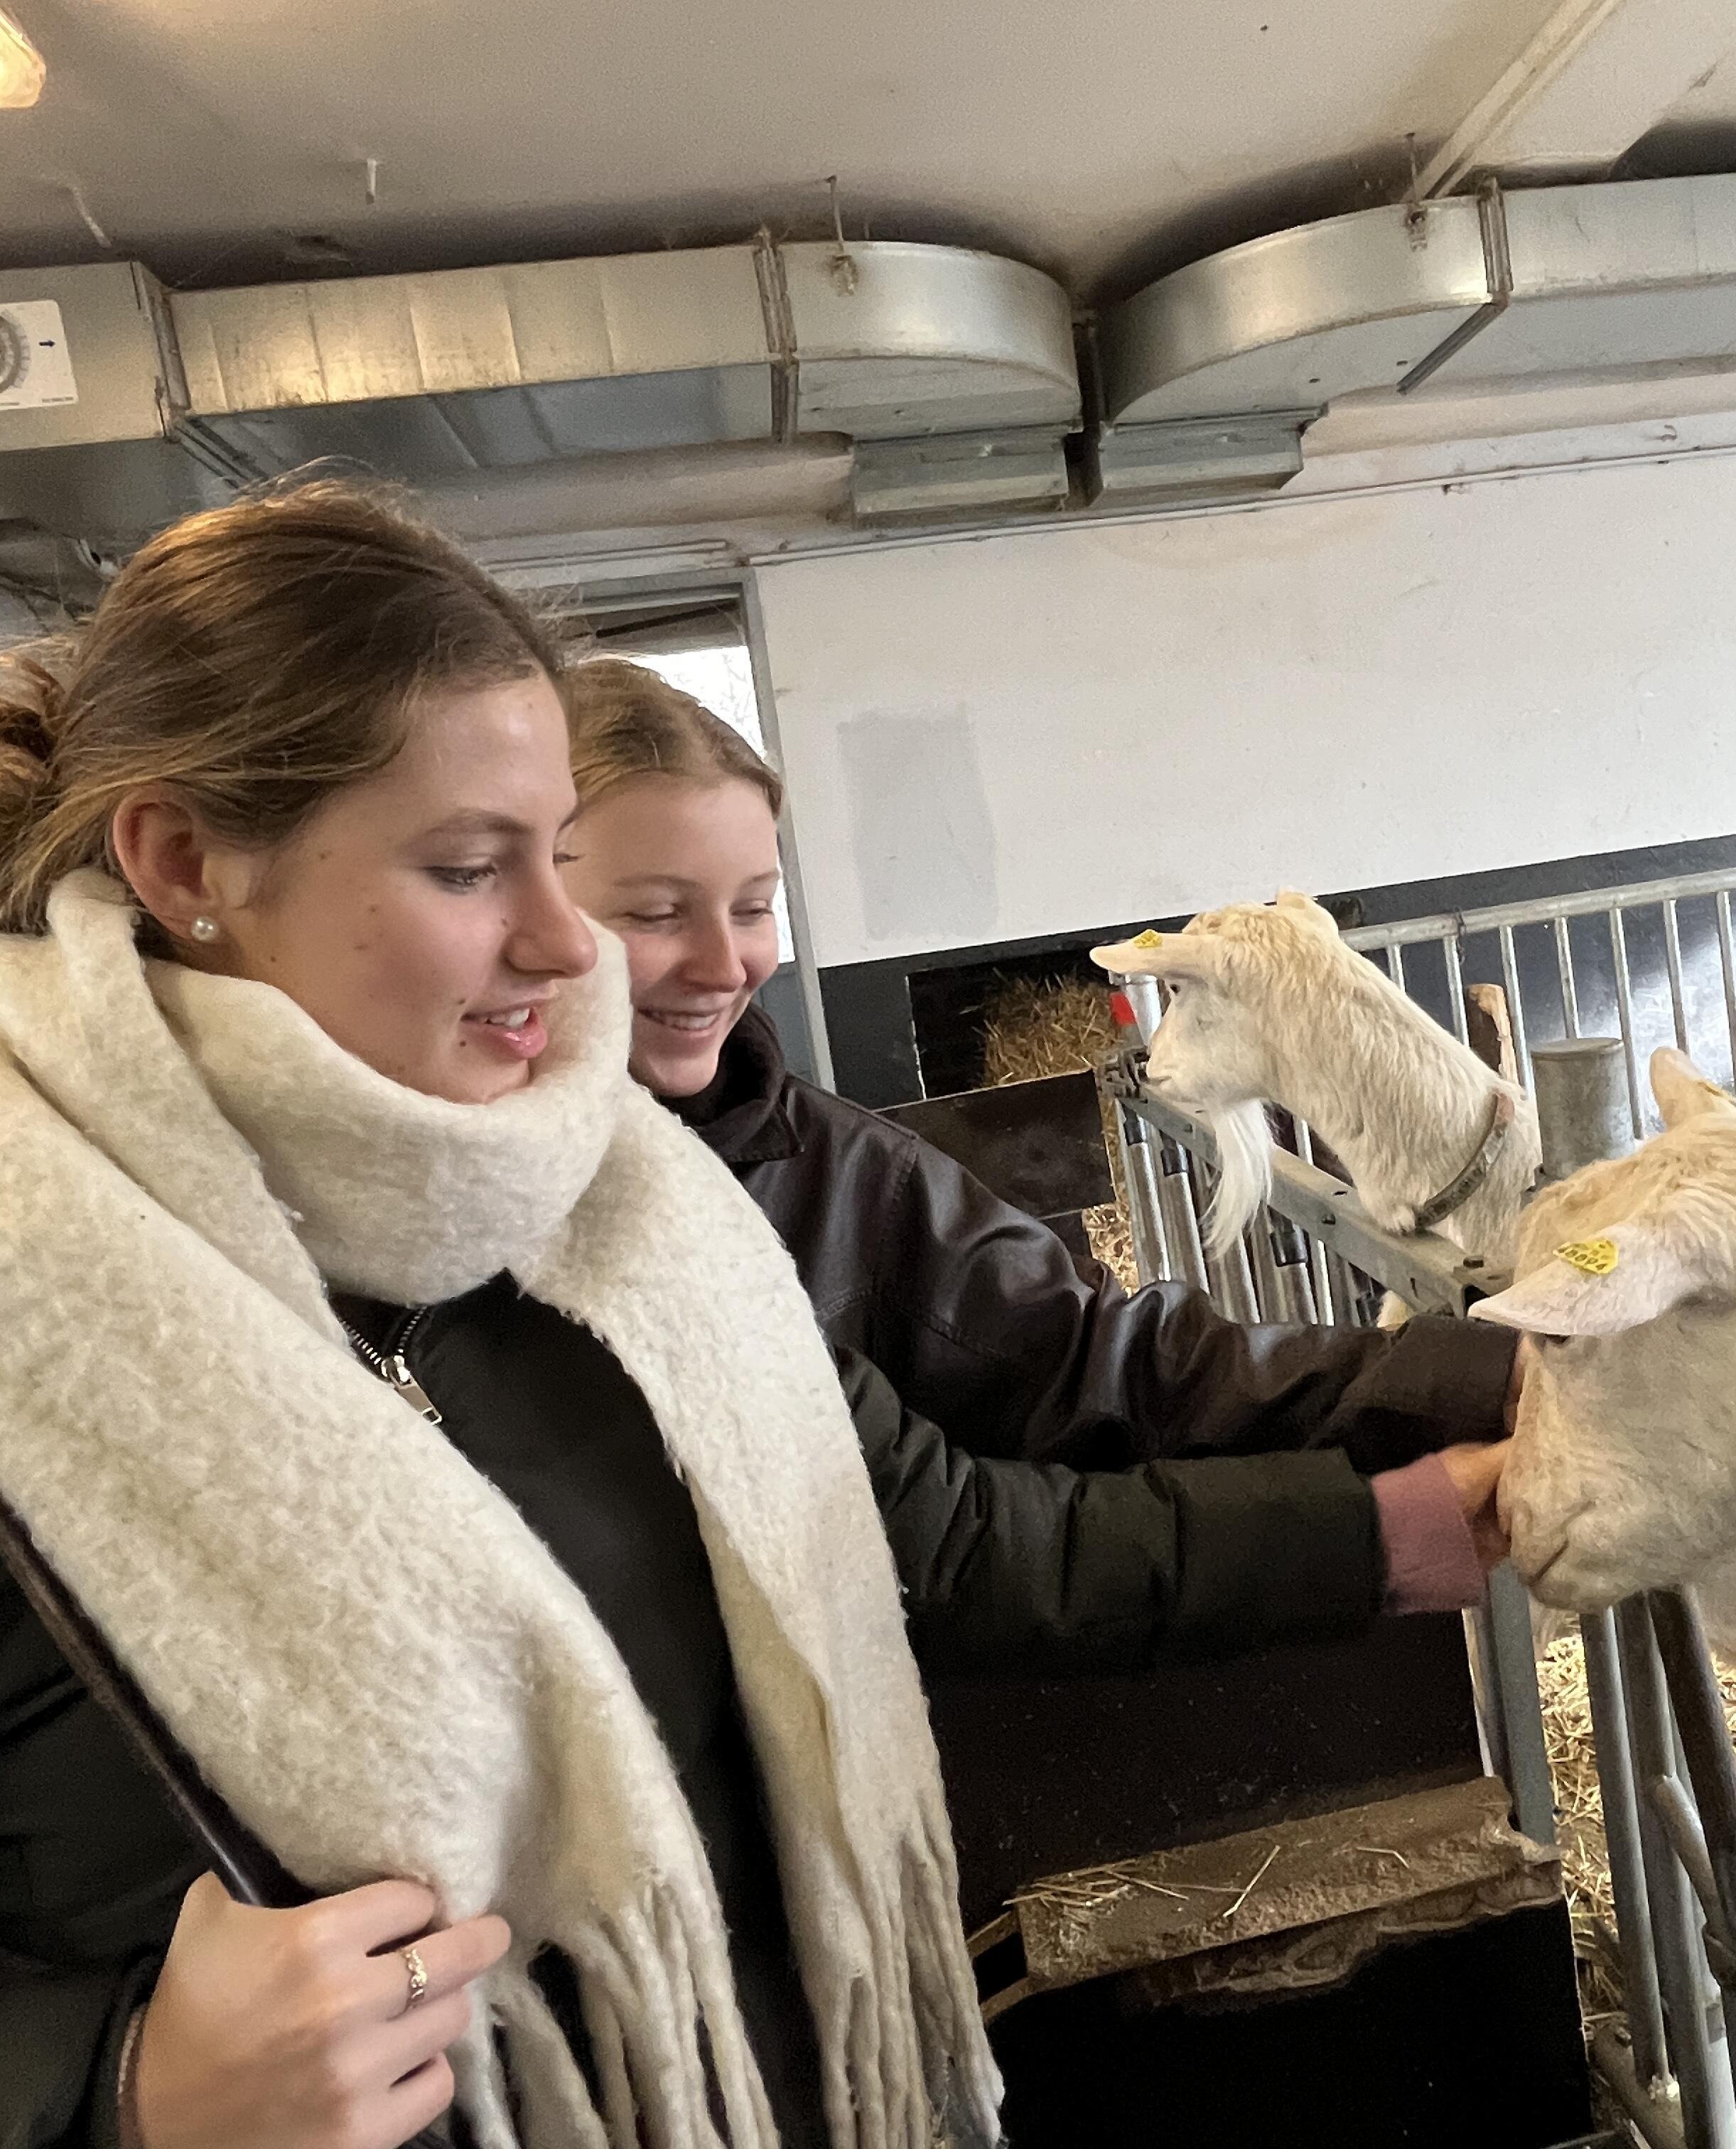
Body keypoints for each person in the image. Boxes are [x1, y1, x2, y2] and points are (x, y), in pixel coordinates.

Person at [0, 487, 997, 2149]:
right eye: (471, 866)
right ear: (183, 862)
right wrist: (119, 2091)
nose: (564, 939)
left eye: (555, 853)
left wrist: (1392, 1511)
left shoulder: (599, 1204)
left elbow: (918, 1527)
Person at [557, 657, 1522, 1669]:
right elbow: (964, 1545)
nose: (727, 966)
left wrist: (1480, 1374)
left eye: (754, 907)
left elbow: (1094, 1363)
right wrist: (1385, 1522)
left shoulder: (850, 1175)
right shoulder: (485, 1252)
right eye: (656, 912)